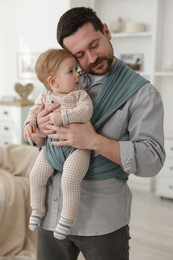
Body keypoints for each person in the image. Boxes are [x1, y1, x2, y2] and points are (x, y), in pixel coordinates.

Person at [32, 7, 166, 260]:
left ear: (106, 31)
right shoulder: (61, 83)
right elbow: (39, 142)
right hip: (51, 211)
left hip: (102, 221)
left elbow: (152, 160)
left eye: (94, 45)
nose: (91, 58)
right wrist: (39, 131)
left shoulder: (142, 94)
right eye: (79, 54)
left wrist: (93, 141)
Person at [24, 48, 93, 240]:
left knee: (69, 181)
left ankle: (66, 219)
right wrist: (30, 123)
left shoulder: (80, 95)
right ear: (53, 82)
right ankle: (37, 209)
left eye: (76, 70)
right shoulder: (45, 96)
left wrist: (63, 116)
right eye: (71, 71)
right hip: (51, 148)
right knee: (35, 176)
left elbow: (86, 112)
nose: (77, 74)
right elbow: (34, 111)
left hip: (76, 150)